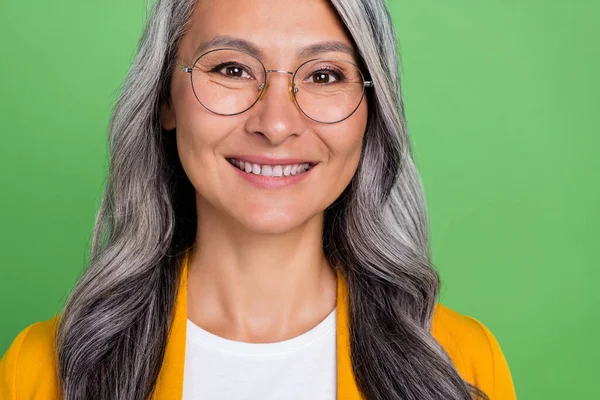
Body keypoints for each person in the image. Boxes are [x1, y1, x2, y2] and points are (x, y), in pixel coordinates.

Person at [0, 0, 517, 399]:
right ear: (163, 98)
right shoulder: (42, 369)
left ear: (371, 108)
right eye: (231, 69)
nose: (274, 124)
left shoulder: (462, 364)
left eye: (324, 75)